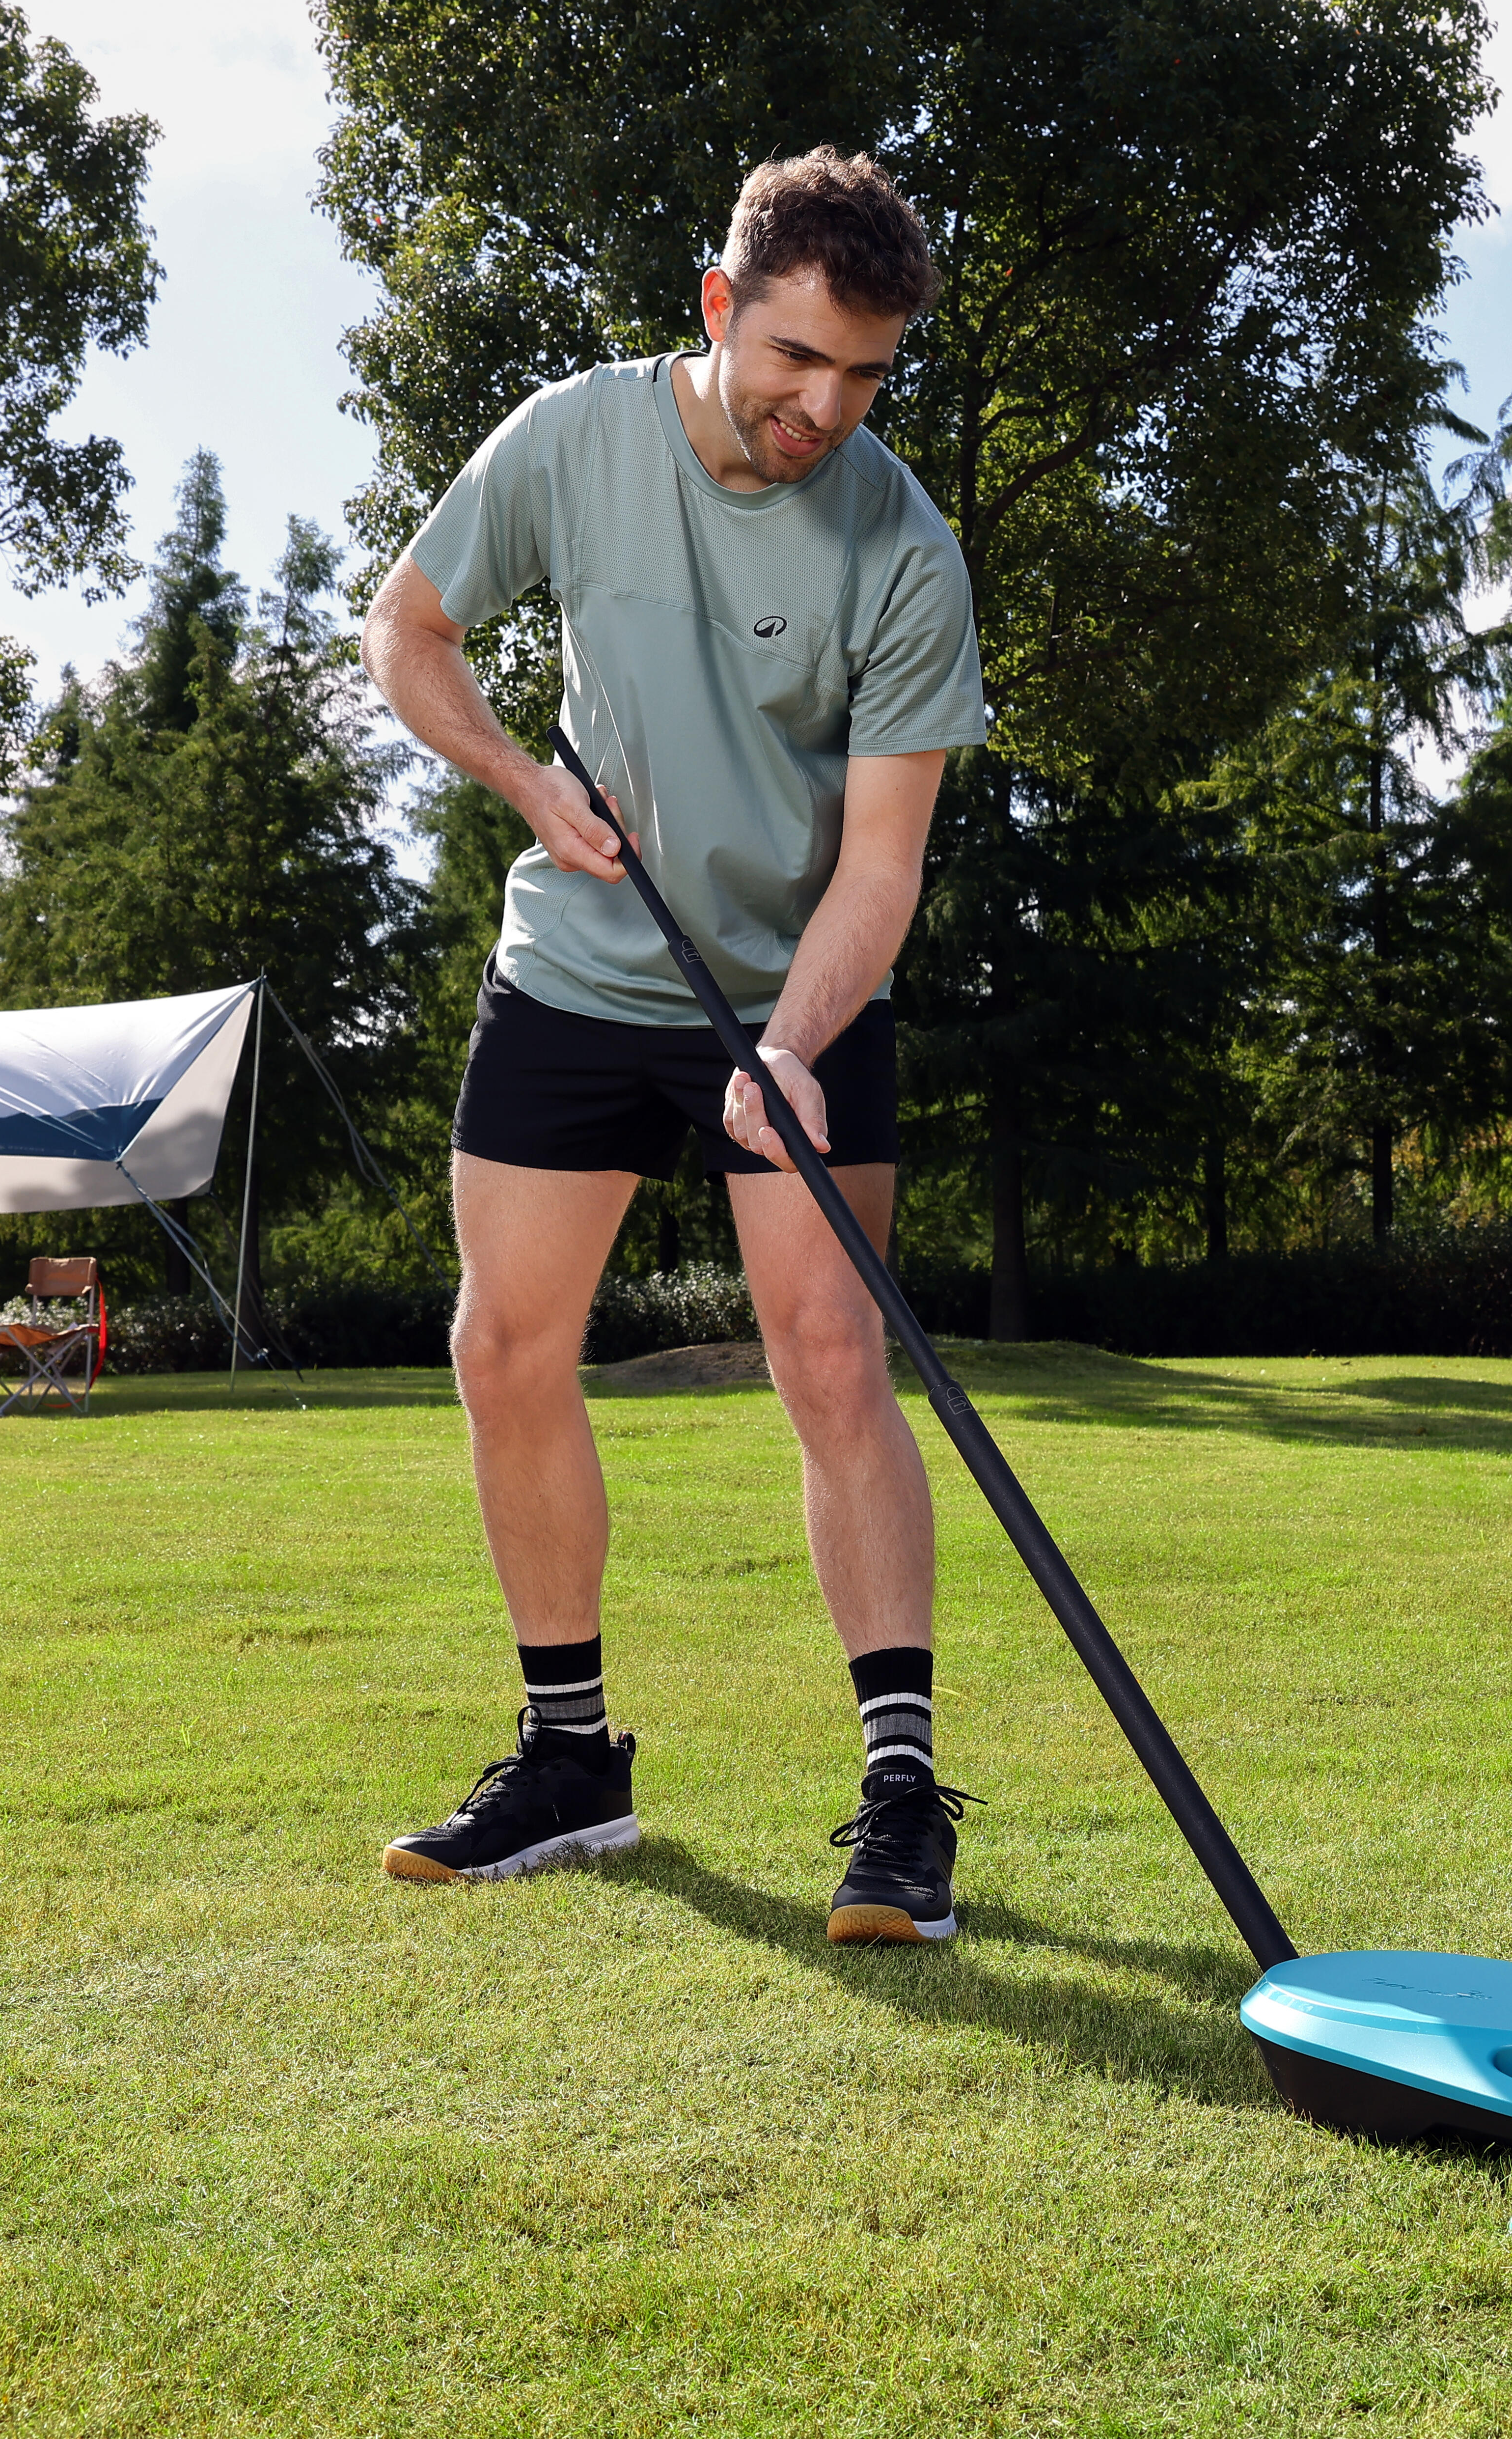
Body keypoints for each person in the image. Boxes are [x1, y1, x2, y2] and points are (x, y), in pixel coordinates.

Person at [358, 148, 986, 1943]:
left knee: (825, 1355)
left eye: (865, 375)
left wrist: (792, 1047)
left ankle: (898, 1799)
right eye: (796, 357)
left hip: (801, 991)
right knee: (504, 1343)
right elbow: (410, 633)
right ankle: (572, 1764)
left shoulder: (902, 546)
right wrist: (519, 778)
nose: (825, 406)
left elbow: (883, 867)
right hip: (577, 970)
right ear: (721, 309)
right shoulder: (569, 441)